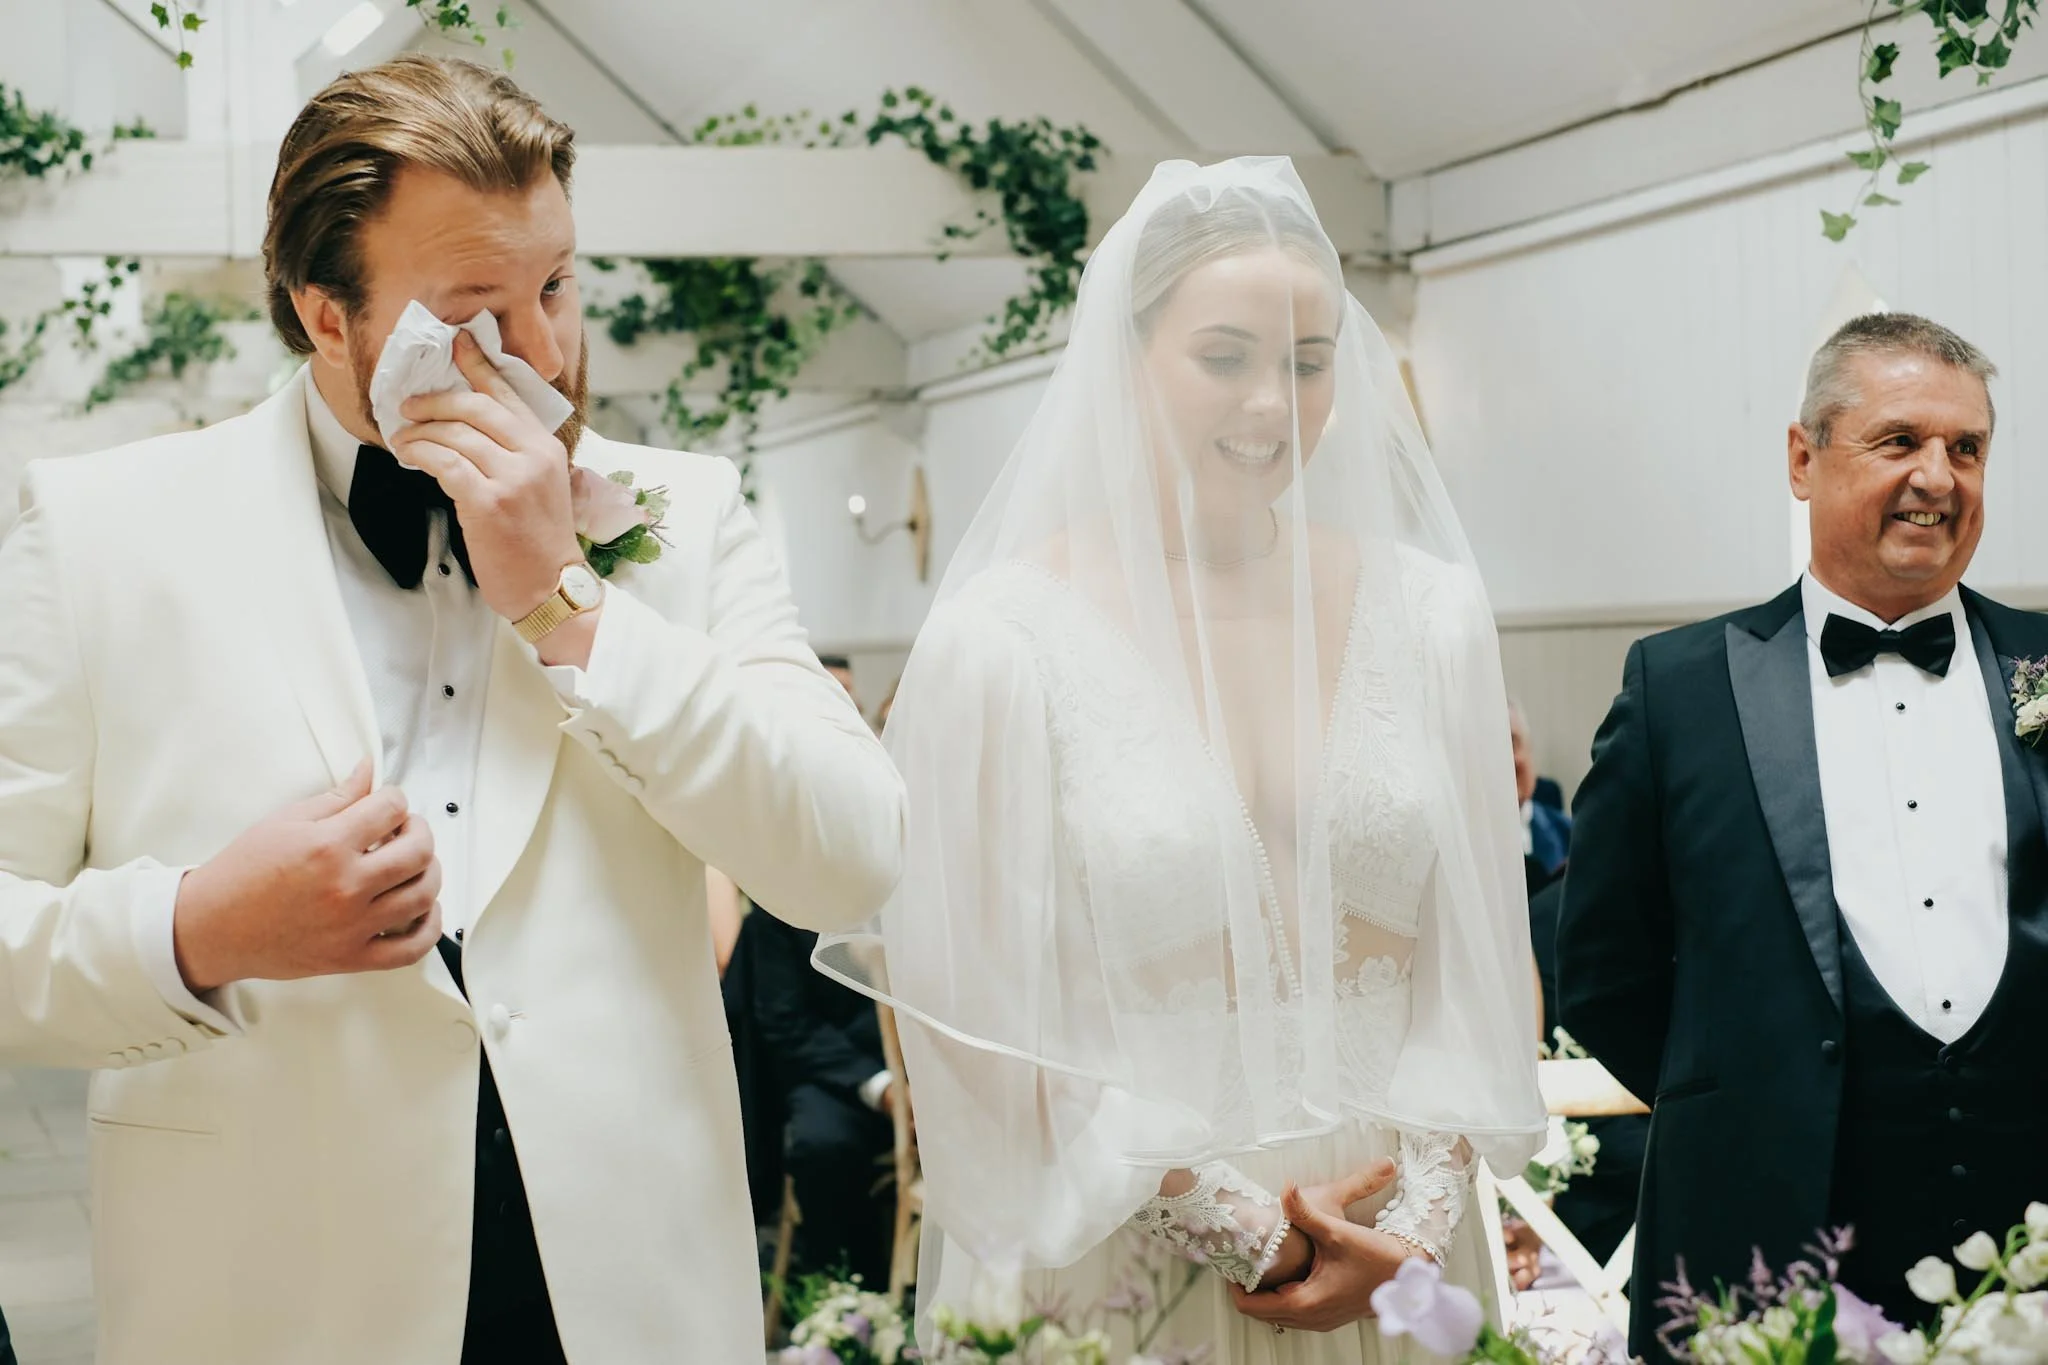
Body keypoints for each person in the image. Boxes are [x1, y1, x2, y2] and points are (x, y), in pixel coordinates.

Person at [0, 55, 903, 1364]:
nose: (544, 355)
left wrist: (572, 608)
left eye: (557, 285)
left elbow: (852, 854)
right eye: (476, 311)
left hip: (628, 1290)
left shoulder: (687, 515)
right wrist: (195, 927)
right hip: (273, 1295)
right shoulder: (98, 534)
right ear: (327, 315)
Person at [817, 157, 1544, 1359]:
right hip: (1119, 1227)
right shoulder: (998, 642)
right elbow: (969, 998)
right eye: (1224, 358)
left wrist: (1416, 1217)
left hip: (1391, 1229)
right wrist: (1224, 1219)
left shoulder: (1431, 616)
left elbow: (1476, 943)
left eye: (1307, 364)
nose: (1269, 404)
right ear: (1124, 360)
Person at [1558, 313, 2048, 1354]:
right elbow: (1603, 970)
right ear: (1800, 457)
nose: (1938, 476)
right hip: (1757, 1246)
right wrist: (1751, 1095)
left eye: (1966, 449)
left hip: (2027, 1245)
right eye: (1898, 440)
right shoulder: (1677, 687)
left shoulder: (2039, 668)